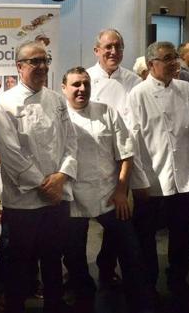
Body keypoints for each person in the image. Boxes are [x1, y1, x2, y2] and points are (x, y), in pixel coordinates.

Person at [61, 66, 154, 313]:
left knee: (130, 249)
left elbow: (126, 153)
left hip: (109, 193)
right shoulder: (59, 117)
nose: (82, 89)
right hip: (73, 196)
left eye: (86, 84)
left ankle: (138, 300)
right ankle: (84, 292)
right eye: (76, 85)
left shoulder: (107, 112)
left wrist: (122, 190)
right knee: (73, 256)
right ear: (64, 88)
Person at [124, 41, 189, 309]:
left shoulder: (185, 89)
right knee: (146, 237)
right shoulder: (137, 95)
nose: (175, 63)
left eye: (175, 58)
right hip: (153, 178)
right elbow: (132, 142)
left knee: (182, 234)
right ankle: (148, 285)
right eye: (167, 58)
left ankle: (178, 281)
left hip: (184, 177)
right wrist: (138, 183)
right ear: (151, 64)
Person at [0, 40, 77, 313]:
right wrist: (45, 184)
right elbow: (10, 154)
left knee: (54, 257)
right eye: (35, 61)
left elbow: (71, 143)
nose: (42, 66)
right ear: (19, 67)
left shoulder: (56, 99)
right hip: (24, 201)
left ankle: (55, 304)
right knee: (19, 262)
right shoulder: (5, 103)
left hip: (57, 196)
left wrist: (62, 176)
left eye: (45, 60)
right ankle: (15, 306)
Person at [87, 28, 142, 93]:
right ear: (96, 51)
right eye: (108, 47)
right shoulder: (86, 79)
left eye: (118, 47)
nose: (114, 52)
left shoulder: (134, 81)